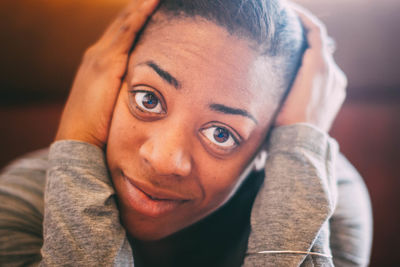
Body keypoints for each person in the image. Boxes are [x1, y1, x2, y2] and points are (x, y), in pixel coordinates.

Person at [0, 0, 372, 266]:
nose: (164, 160)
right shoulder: (23, 206)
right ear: (101, 89)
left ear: (270, 147)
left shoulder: (321, 202)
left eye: (222, 134)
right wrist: (77, 140)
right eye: (147, 99)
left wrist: (300, 154)